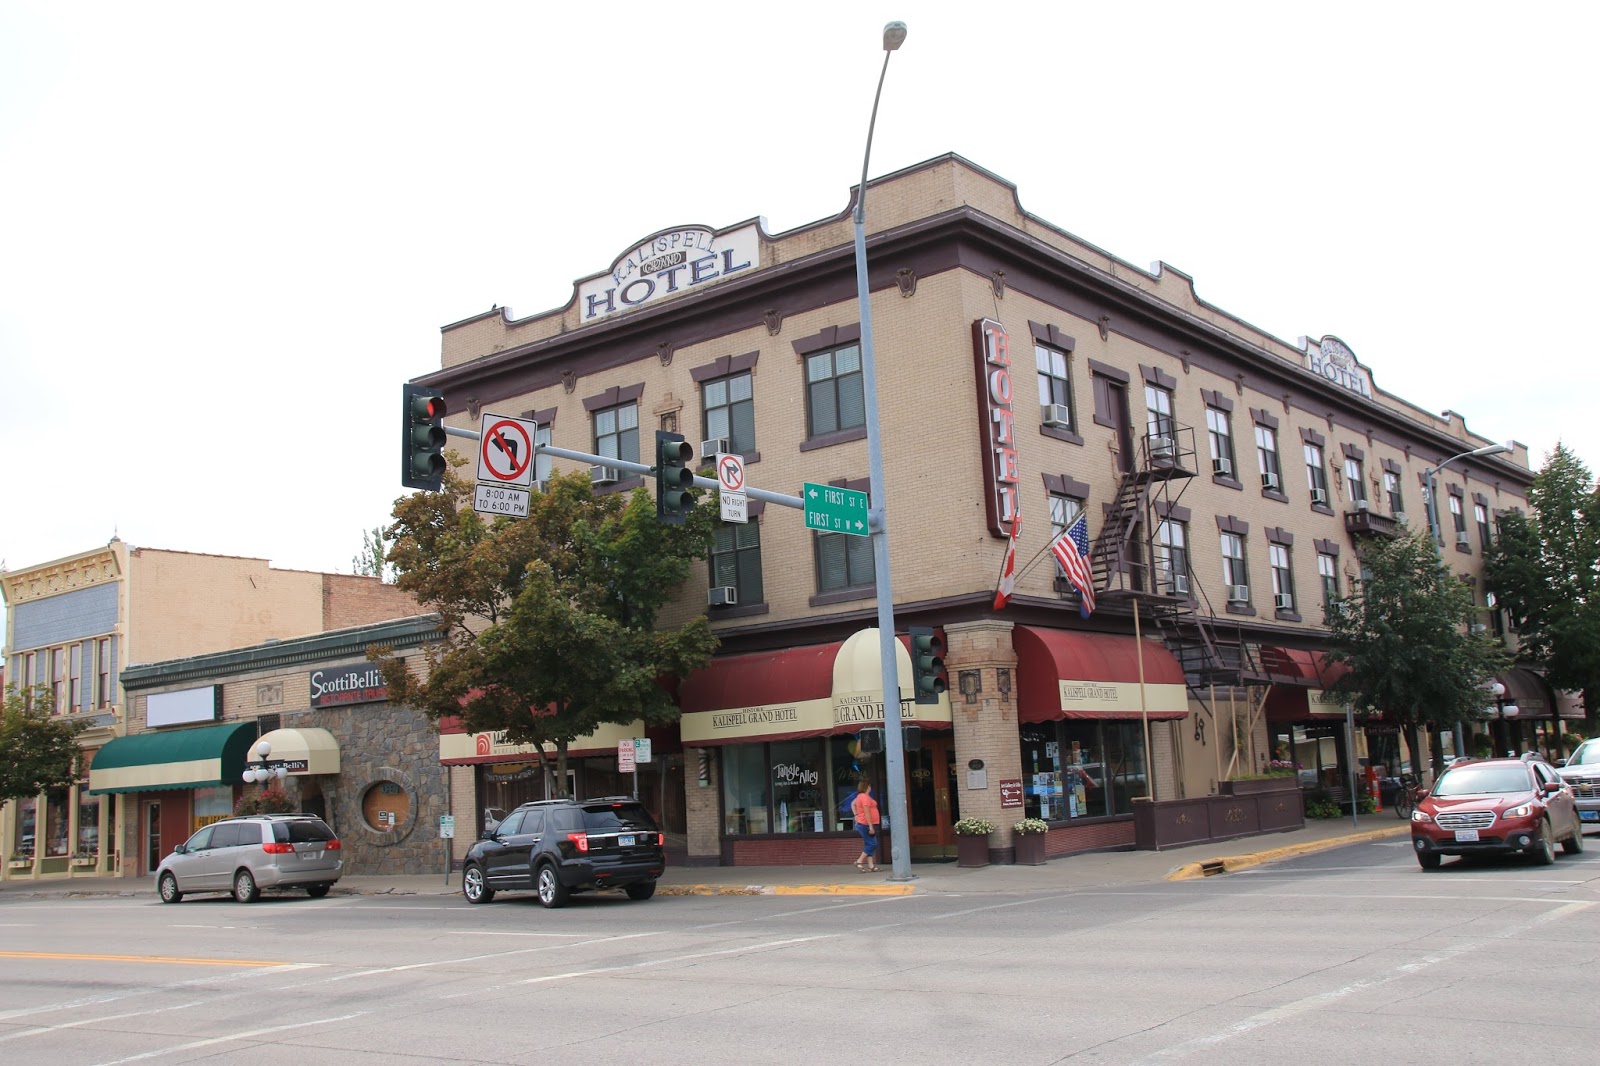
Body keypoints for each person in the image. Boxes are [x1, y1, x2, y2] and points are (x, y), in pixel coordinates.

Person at [850, 781, 881, 872]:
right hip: (865, 824)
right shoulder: (864, 797)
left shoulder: (860, 796)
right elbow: (867, 812)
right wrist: (870, 826)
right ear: (866, 787)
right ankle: (859, 861)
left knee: (869, 844)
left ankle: (871, 866)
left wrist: (856, 814)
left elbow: (852, 803)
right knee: (873, 844)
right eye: (869, 786)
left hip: (864, 823)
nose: (870, 787)